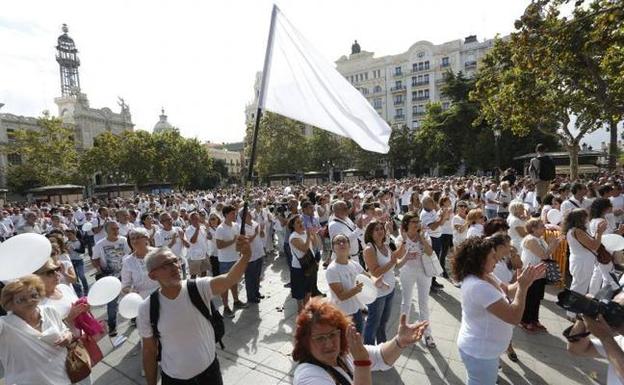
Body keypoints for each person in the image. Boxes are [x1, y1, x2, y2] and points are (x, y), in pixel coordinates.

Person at [137, 239, 252, 385]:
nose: (175, 267)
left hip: (211, 373)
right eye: (166, 265)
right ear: (153, 275)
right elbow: (149, 351)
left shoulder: (197, 287)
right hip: (175, 380)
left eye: (175, 261)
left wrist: (246, 256)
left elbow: (228, 279)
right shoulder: (147, 308)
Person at [453, 237, 546, 385]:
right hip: (480, 352)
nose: (497, 259)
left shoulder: (486, 275)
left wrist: (528, 280)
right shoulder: (478, 286)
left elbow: (508, 290)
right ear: (479, 260)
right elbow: (514, 317)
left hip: (485, 349)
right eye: (492, 256)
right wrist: (523, 287)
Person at [292, 297, 429, 385]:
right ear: (305, 342)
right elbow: (365, 360)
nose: (328, 343)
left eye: (333, 334)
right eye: (320, 338)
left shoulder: (343, 354)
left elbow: (379, 356)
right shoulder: (307, 376)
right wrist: (361, 363)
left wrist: (400, 341)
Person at [0, 275, 74, 385]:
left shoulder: (49, 311)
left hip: (63, 378)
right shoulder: (4, 324)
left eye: (34, 295)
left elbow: (65, 330)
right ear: (10, 304)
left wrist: (68, 336)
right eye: (21, 299)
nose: (29, 301)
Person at [396, 212, 436, 348]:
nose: (417, 224)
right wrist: (404, 241)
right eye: (413, 221)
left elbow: (430, 252)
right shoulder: (401, 238)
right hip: (407, 272)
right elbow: (398, 257)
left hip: (424, 271)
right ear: (406, 224)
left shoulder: (424, 236)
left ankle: (427, 334)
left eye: (418, 221)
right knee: (406, 302)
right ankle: (402, 331)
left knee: (423, 302)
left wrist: (422, 238)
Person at [567, 293, 624, 385]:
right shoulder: (621, 340)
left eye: (619, 309)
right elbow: (577, 350)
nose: (612, 313)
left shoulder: (612, 341)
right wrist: (584, 314)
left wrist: (606, 338)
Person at [362, 220, 405, 345]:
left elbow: (395, 262)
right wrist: (392, 262)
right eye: (376, 229)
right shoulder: (369, 249)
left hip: (390, 290)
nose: (380, 231)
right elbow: (375, 272)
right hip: (378, 294)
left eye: (381, 228)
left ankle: (382, 346)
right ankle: (369, 352)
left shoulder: (386, 245)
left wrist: (405, 244)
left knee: (384, 322)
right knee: (373, 323)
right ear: (370, 232)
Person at [519, 218, 559, 333]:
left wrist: (553, 244)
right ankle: (525, 320)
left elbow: (548, 253)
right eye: (541, 226)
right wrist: (553, 244)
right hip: (531, 272)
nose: (544, 228)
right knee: (530, 297)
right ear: (533, 228)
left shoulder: (540, 239)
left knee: (537, 298)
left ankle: (534, 319)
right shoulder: (531, 240)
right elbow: (544, 255)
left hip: (540, 273)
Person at [92, 221, 132, 336]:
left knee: (130, 296)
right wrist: (100, 271)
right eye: (113, 229)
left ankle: (133, 318)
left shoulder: (123, 240)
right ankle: (112, 326)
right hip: (110, 277)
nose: (116, 231)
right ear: (107, 231)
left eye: (117, 228)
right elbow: (94, 259)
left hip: (125, 275)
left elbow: (129, 254)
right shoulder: (100, 244)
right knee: (112, 303)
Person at [564, 208, 604, 320]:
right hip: (582, 262)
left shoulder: (573, 230)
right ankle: (572, 313)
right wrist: (599, 232)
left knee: (578, 286)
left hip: (580, 261)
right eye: (585, 217)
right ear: (580, 218)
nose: (587, 219)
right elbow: (594, 245)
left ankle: (572, 311)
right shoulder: (577, 231)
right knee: (579, 288)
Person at [325, 234, 366, 332]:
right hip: (343, 314)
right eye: (338, 242)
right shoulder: (332, 270)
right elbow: (341, 296)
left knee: (358, 340)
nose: (341, 243)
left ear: (349, 245)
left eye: (344, 241)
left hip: (356, 310)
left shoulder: (354, 264)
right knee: (345, 344)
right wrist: (356, 289)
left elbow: (368, 277)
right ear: (333, 248)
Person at [216, 205, 247, 317]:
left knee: (234, 281)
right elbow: (219, 245)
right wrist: (233, 241)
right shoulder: (220, 228)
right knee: (225, 284)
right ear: (225, 215)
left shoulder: (236, 225)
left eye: (235, 213)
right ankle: (225, 307)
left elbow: (239, 240)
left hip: (235, 258)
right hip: (225, 260)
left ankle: (236, 300)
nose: (234, 215)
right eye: (232, 213)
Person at [589, 198, 624, 295]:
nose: (612, 207)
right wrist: (618, 233)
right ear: (605, 208)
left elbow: (607, 235)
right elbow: (608, 237)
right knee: (608, 277)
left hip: (599, 250)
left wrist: (618, 232)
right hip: (605, 251)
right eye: (610, 205)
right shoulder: (602, 221)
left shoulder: (594, 220)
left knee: (597, 274)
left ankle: (592, 295)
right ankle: (603, 299)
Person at [289, 214, 320, 312]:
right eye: (298, 222)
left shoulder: (304, 233)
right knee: (299, 291)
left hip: (310, 264)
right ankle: (300, 309)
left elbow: (316, 244)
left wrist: (314, 234)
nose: (301, 224)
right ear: (293, 226)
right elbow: (304, 249)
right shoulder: (293, 237)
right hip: (298, 267)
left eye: (301, 221)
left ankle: (306, 309)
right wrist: (307, 236)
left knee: (308, 289)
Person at [121, 229, 160, 299]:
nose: (135, 241)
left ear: (146, 238)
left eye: (138, 237)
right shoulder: (128, 261)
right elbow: (125, 286)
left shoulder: (158, 253)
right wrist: (130, 291)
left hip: (162, 294)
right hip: (142, 299)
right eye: (132, 239)